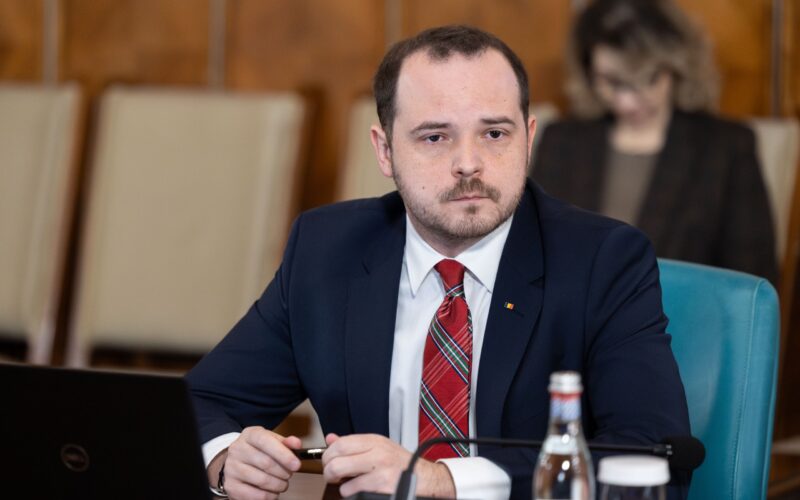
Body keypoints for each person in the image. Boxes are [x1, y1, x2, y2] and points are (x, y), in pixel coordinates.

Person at [187, 25, 690, 500]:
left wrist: (443, 479)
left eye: (495, 134)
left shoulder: (602, 261)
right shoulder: (328, 251)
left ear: (529, 137)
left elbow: (652, 455)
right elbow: (202, 403)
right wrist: (226, 460)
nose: (468, 163)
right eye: (435, 137)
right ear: (385, 151)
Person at [532, 0, 778, 285]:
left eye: (647, 79)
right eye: (611, 81)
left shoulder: (727, 148)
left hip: (682, 312)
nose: (627, 101)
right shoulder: (561, 141)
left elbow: (751, 281)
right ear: (587, 72)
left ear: (677, 66)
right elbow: (532, 254)